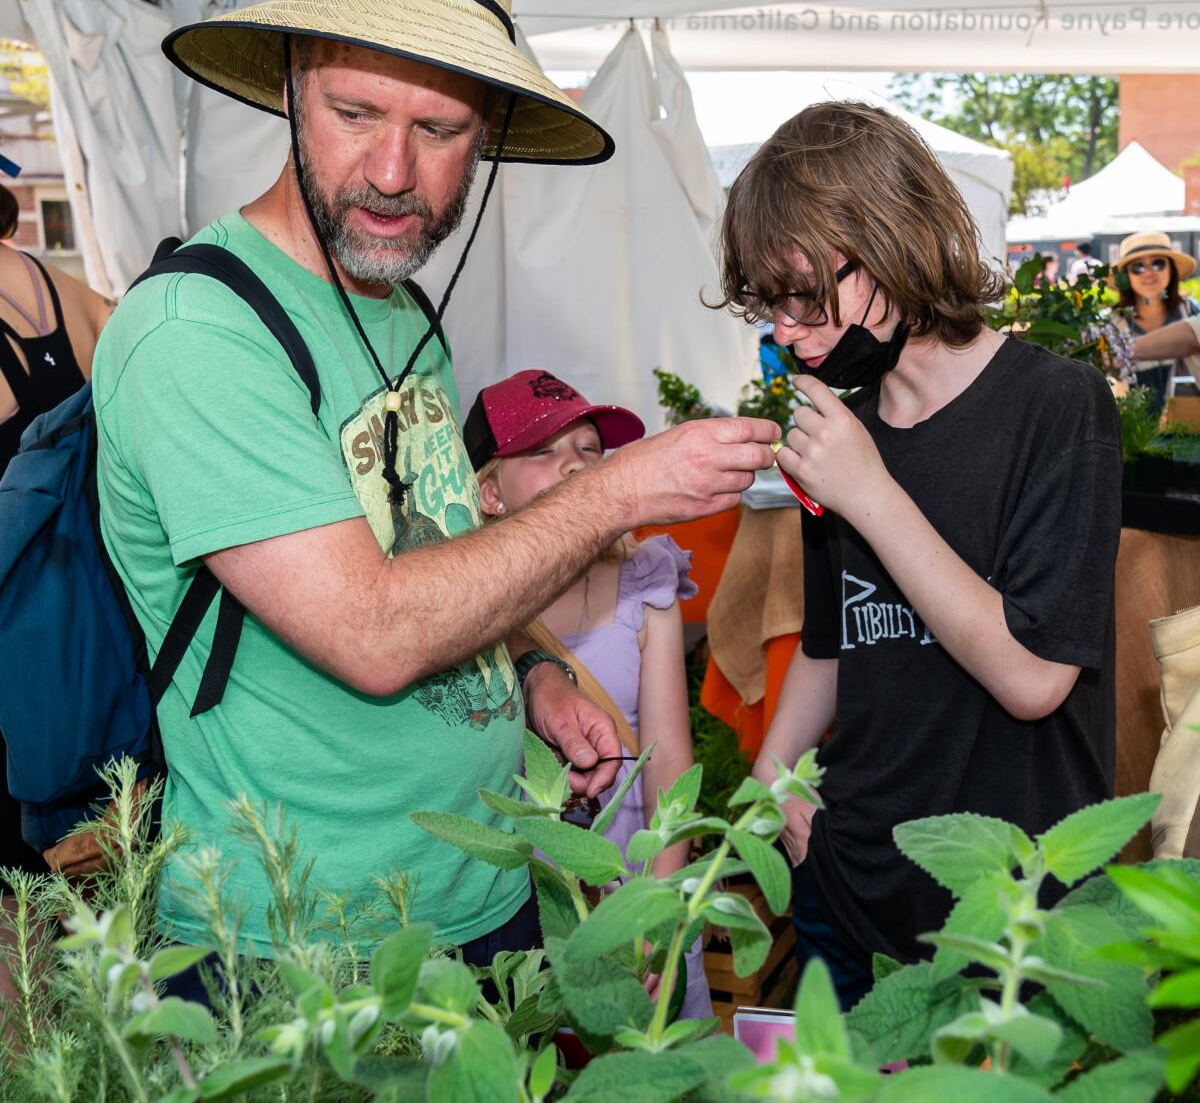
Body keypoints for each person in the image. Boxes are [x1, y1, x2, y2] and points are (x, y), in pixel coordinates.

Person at [89, 0, 777, 967]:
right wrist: (615, 493)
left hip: (479, 883)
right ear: (291, 86)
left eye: (443, 128)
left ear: (492, 132)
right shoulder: (196, 333)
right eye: (354, 111)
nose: (392, 170)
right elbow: (372, 631)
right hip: (306, 940)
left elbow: (441, 543)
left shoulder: (401, 308)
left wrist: (540, 665)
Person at [717, 102, 1121, 1008]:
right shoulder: (845, 431)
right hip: (851, 883)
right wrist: (774, 776)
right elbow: (833, 644)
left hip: (1012, 911)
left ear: (893, 242)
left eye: (804, 293)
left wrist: (872, 493)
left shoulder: (1056, 408)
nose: (785, 329)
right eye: (769, 302)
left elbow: (1034, 679)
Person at [468, 369, 712, 1017]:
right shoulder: (460, 604)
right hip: (519, 892)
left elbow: (669, 761)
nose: (576, 465)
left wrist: (658, 910)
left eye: (588, 448)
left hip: (629, 873)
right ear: (489, 490)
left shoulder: (642, 579)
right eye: (544, 450)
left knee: (652, 1088)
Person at [0, 180, 113, 1017]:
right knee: (95, 916)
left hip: (16, 671)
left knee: (23, 954)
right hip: (88, 650)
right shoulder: (74, 298)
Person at [1110, 231, 1200, 414]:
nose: (1149, 273)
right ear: (1125, 275)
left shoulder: (1192, 311)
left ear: (1171, 269)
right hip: (1133, 435)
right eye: (1138, 267)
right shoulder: (1109, 324)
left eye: (1158, 263)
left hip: (1190, 433)